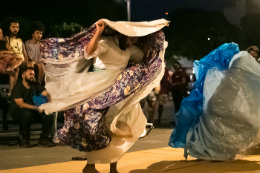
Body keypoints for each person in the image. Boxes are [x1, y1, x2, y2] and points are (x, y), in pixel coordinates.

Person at [39, 19, 169, 173]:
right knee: (97, 125)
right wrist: (98, 33)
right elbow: (88, 52)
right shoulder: (106, 43)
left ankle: (113, 167)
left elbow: (144, 57)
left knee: (122, 123)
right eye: (131, 36)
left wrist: (154, 32)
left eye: (136, 37)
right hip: (100, 84)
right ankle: (90, 166)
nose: (134, 39)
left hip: (119, 90)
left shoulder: (130, 49)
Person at [169, 43, 260, 161]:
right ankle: (212, 151)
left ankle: (219, 151)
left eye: (254, 56)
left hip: (229, 99)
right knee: (211, 120)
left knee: (226, 121)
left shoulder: (246, 68)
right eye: (251, 55)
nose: (252, 58)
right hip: (223, 97)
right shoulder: (239, 62)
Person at [10, 67, 54, 148]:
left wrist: (49, 101)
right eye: (30, 74)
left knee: (49, 114)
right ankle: (25, 139)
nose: (32, 76)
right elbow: (21, 104)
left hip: (33, 110)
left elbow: (46, 93)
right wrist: (36, 108)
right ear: (23, 76)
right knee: (27, 114)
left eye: (33, 74)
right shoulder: (17, 87)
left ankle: (43, 138)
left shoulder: (35, 85)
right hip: (18, 112)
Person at [2, 17, 30, 94]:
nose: (15, 29)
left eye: (17, 27)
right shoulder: (6, 39)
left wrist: (28, 62)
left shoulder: (20, 40)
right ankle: (12, 91)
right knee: (15, 67)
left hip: (22, 61)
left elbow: (25, 55)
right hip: (13, 60)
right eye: (13, 27)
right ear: (9, 27)